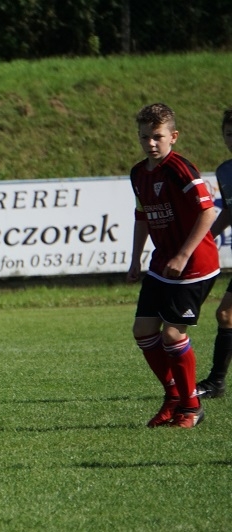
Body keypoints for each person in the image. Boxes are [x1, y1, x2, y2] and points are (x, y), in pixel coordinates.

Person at [126, 103, 219, 428]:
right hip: (161, 263)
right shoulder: (138, 173)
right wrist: (135, 257)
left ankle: (191, 407)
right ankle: (173, 396)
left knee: (172, 334)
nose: (151, 143)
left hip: (194, 265)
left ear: (173, 136)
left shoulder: (180, 169)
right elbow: (142, 215)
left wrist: (182, 255)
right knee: (143, 330)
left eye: (158, 136)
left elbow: (208, 212)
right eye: (145, 137)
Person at [196, 108, 232, 399]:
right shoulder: (225, 171)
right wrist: (204, 238)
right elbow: (229, 211)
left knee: (226, 313)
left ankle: (216, 381)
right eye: (229, 134)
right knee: (226, 314)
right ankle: (216, 383)